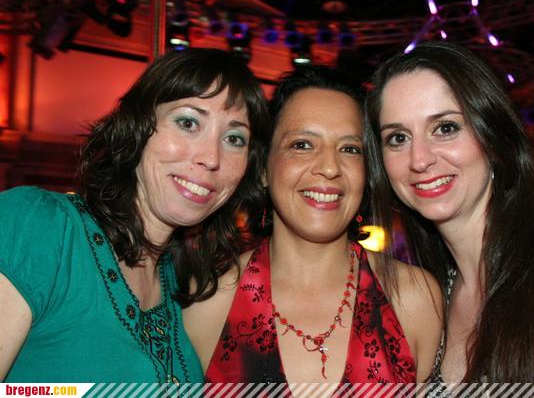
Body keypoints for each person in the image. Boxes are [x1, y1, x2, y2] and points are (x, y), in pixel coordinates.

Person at [0, 48, 271, 382]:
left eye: (234, 138)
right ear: (138, 126)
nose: (211, 157)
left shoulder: (183, 286)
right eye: (188, 122)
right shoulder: (38, 227)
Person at [367, 40, 534, 382]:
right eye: (398, 138)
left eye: (445, 128)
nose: (419, 159)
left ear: (493, 136)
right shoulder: (433, 301)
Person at [184, 65, 442, 388]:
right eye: (302, 145)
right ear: (262, 168)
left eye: (350, 149)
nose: (330, 167)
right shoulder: (206, 305)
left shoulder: (415, 298)